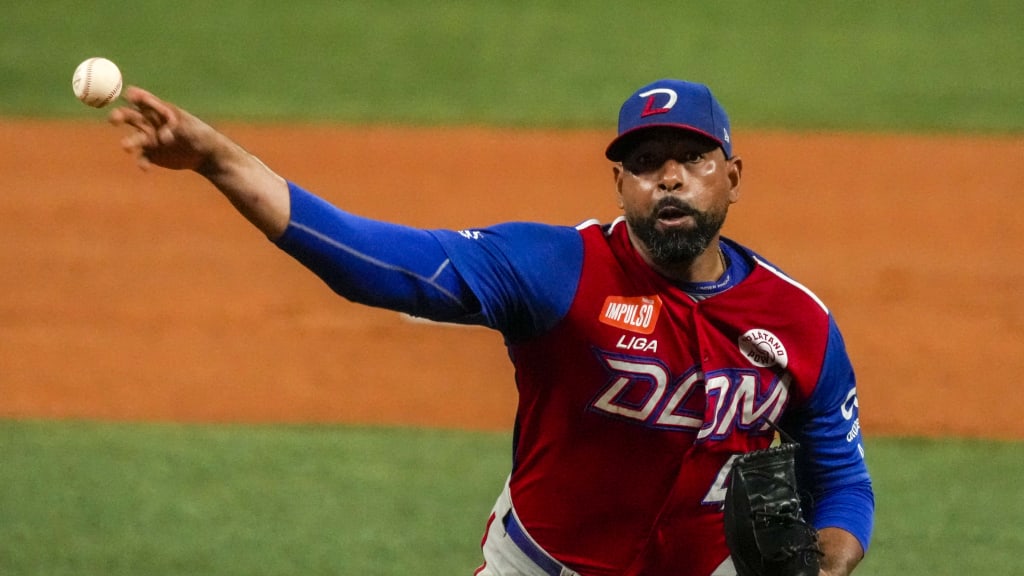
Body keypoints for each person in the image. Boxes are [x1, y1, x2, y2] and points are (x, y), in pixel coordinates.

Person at [109, 79, 874, 576]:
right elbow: (375, 260)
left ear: (732, 177)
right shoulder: (555, 268)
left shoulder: (797, 320)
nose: (668, 177)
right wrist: (220, 160)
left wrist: (831, 561)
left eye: (692, 158)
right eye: (644, 162)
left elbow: (840, 476)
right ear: (620, 184)